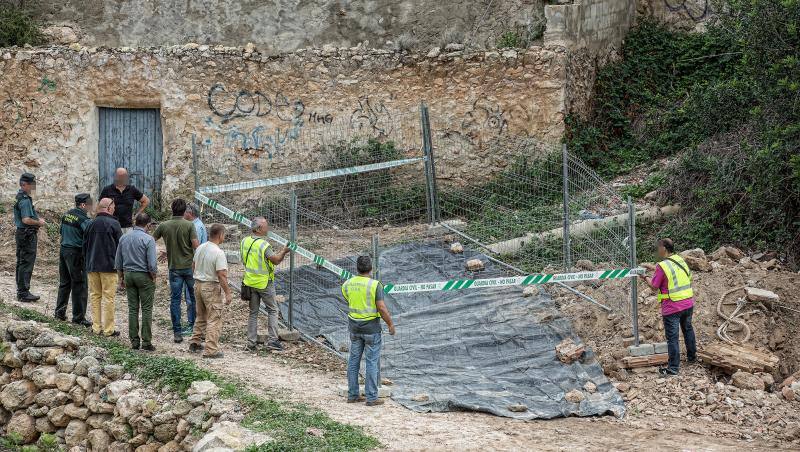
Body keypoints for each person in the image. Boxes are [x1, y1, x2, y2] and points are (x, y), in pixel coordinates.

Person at [342, 256, 395, 406]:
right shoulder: (375, 285)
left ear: (357, 268)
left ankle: (353, 395)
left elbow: (349, 299)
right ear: (371, 269)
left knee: (353, 361)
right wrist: (390, 324)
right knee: (371, 362)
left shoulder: (347, 284)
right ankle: (372, 397)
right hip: (371, 328)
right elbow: (382, 308)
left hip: (354, 327)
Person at [640, 238, 697, 376]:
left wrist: (644, 277)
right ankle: (692, 357)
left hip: (672, 306)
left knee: (672, 338)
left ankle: (673, 369)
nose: (657, 249)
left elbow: (654, 287)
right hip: (688, 303)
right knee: (688, 329)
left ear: (664, 248)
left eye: (658, 247)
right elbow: (676, 273)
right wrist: (653, 267)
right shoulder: (679, 260)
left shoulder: (662, 266)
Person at [153, 198, 199, 343]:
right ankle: (197, 329)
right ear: (185, 210)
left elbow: (150, 240)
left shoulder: (164, 225)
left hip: (174, 268)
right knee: (194, 298)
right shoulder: (189, 225)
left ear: (172, 209)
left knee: (175, 300)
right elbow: (196, 246)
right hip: (189, 267)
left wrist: (168, 251)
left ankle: (177, 333)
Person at [241, 217, 290, 352]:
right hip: (264, 283)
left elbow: (243, 260)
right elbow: (275, 260)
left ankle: (251, 343)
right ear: (258, 229)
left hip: (250, 282)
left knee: (253, 312)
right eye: (265, 226)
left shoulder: (244, 241)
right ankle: (273, 341)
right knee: (273, 310)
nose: (267, 228)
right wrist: (284, 252)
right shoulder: (263, 245)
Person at [115, 213, 158, 351]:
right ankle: (146, 342)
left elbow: (118, 261)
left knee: (132, 308)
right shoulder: (149, 239)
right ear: (148, 225)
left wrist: (120, 278)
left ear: (135, 222)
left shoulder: (124, 237)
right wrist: (153, 276)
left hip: (128, 275)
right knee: (146, 309)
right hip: (143, 275)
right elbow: (152, 263)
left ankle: (134, 341)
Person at [190, 224, 232, 359]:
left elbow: (193, 266)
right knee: (214, 318)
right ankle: (211, 349)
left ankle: (195, 342)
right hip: (210, 286)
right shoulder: (218, 252)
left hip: (197, 284)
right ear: (220, 235)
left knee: (200, 315)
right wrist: (228, 293)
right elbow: (221, 275)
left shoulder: (200, 248)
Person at [84, 198, 123, 336]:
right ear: (108, 207)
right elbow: (120, 247)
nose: (115, 208)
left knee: (95, 296)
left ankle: (96, 327)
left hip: (92, 265)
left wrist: (87, 262)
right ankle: (108, 329)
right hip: (109, 266)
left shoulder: (90, 223)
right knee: (108, 298)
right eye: (113, 206)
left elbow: (85, 245)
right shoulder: (114, 223)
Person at [55, 193, 93, 326]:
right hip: (76, 253)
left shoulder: (67, 215)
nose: (91, 206)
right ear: (83, 205)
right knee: (80, 284)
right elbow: (90, 236)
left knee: (65, 282)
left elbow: (61, 232)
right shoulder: (84, 219)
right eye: (89, 204)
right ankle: (78, 317)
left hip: (64, 250)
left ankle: (59, 312)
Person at [13, 173, 45, 302]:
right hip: (27, 234)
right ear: (24, 184)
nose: (34, 187)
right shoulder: (25, 200)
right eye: (32, 184)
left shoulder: (19, 196)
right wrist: (39, 222)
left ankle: (21, 291)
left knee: (21, 262)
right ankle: (23, 293)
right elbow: (26, 219)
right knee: (26, 263)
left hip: (22, 234)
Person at [100, 167, 150, 233]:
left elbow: (146, 201)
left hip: (128, 227)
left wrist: (137, 215)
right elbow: (100, 206)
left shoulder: (132, 190)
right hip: (111, 226)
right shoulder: (107, 190)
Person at [183, 203, 207, 305]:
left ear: (190, 213)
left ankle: (192, 319)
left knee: (190, 294)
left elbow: (194, 246)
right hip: (198, 262)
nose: (183, 214)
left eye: (185, 211)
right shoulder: (198, 224)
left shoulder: (195, 227)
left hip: (193, 264)